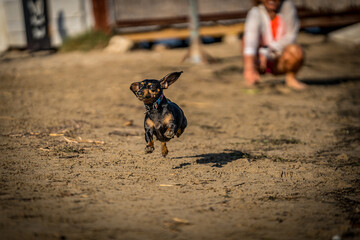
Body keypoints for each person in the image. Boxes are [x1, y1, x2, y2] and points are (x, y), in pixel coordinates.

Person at [242, 0, 306, 90]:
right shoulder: (255, 12)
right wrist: (249, 68)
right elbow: (250, 43)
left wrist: (267, 50)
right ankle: (252, 74)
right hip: (260, 62)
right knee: (245, 40)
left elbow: (291, 36)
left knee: (296, 50)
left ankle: (291, 78)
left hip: (280, 58)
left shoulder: (287, 7)